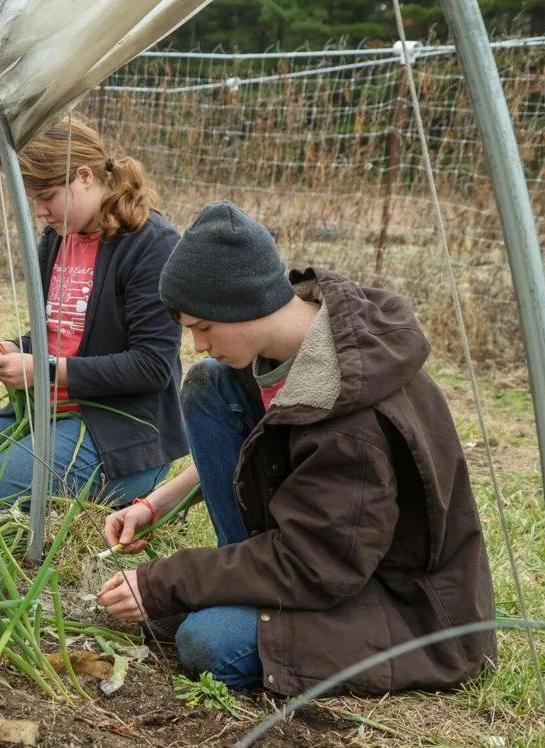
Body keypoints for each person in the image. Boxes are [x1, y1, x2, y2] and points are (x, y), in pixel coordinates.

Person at [96, 200, 495, 695]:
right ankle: (239, 576)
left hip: (397, 601)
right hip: (330, 552)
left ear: (241, 304)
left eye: (203, 327)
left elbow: (313, 564)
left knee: (205, 642)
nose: (197, 344)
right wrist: (161, 501)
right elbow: (268, 440)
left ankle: (237, 596)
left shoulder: (349, 416)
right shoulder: (292, 348)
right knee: (210, 386)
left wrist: (167, 581)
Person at [0, 118, 189, 511]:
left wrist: (43, 370)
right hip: (48, 409)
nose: (40, 211)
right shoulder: (58, 238)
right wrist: (12, 348)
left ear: (83, 176)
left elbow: (151, 366)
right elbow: (60, 334)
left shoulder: (151, 245)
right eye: (34, 200)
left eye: (47, 196)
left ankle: (135, 484)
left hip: (118, 429)